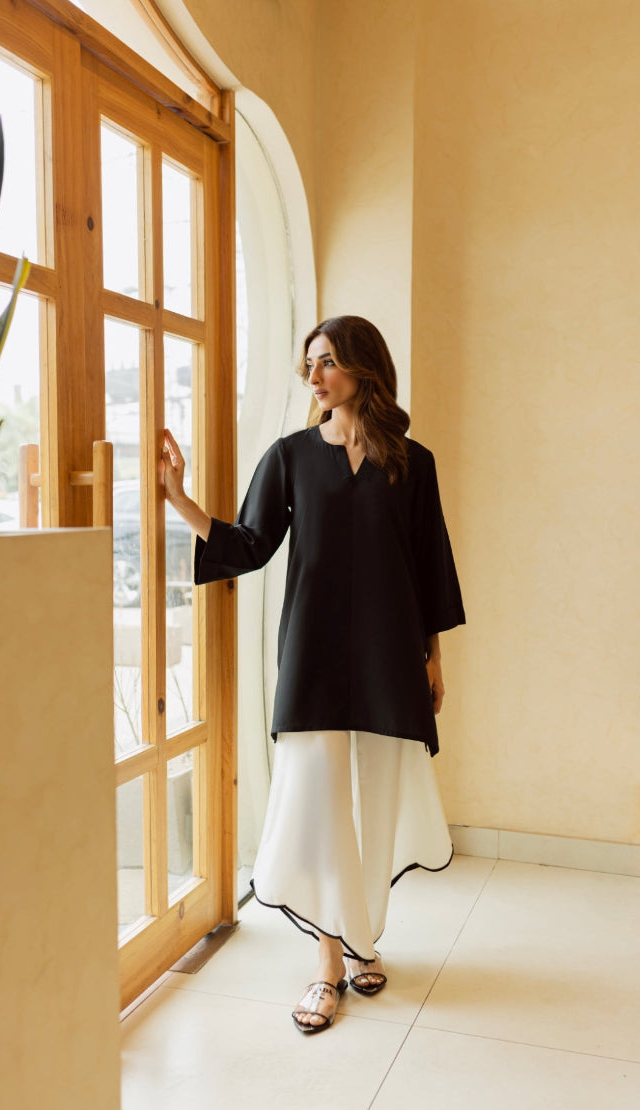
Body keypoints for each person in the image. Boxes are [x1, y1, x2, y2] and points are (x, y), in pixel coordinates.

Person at [161, 315, 465, 1034]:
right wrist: (178, 497)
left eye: (327, 362)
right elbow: (250, 542)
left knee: (375, 800)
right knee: (322, 803)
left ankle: (363, 939)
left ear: (362, 366)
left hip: (390, 650)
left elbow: (428, 566)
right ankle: (329, 963)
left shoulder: (412, 463)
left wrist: (434, 656)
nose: (314, 376)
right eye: (309, 365)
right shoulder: (291, 456)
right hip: (314, 651)